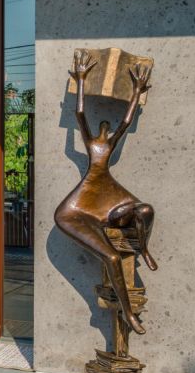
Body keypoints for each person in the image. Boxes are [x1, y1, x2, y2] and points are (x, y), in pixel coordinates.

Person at [54, 50, 157, 335]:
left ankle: (144, 249)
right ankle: (128, 313)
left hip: (109, 196)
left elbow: (125, 121)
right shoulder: (92, 143)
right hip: (80, 205)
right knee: (112, 257)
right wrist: (82, 80)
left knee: (145, 210)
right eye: (101, 128)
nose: (104, 127)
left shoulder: (110, 142)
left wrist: (137, 90)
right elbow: (79, 113)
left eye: (106, 128)